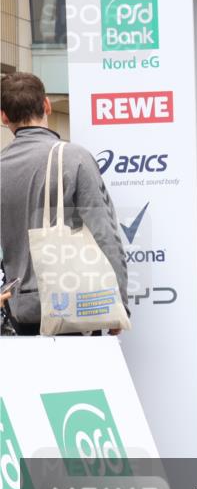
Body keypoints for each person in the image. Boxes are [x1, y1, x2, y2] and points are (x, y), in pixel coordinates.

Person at [1, 72, 128, 335]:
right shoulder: (73, 158)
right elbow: (105, 233)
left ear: (3, 117)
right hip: (76, 306)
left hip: (17, 312)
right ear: (46, 105)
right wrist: (119, 303)